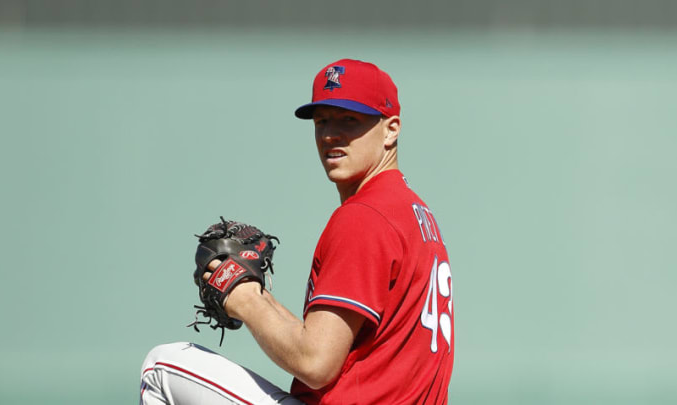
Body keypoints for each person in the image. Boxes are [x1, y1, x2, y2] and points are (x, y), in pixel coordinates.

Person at [140, 59, 454, 404]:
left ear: (391, 129)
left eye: (349, 120)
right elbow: (327, 340)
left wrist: (244, 301)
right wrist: (259, 296)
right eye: (322, 121)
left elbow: (316, 362)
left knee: (161, 366)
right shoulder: (412, 214)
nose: (331, 134)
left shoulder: (364, 216)